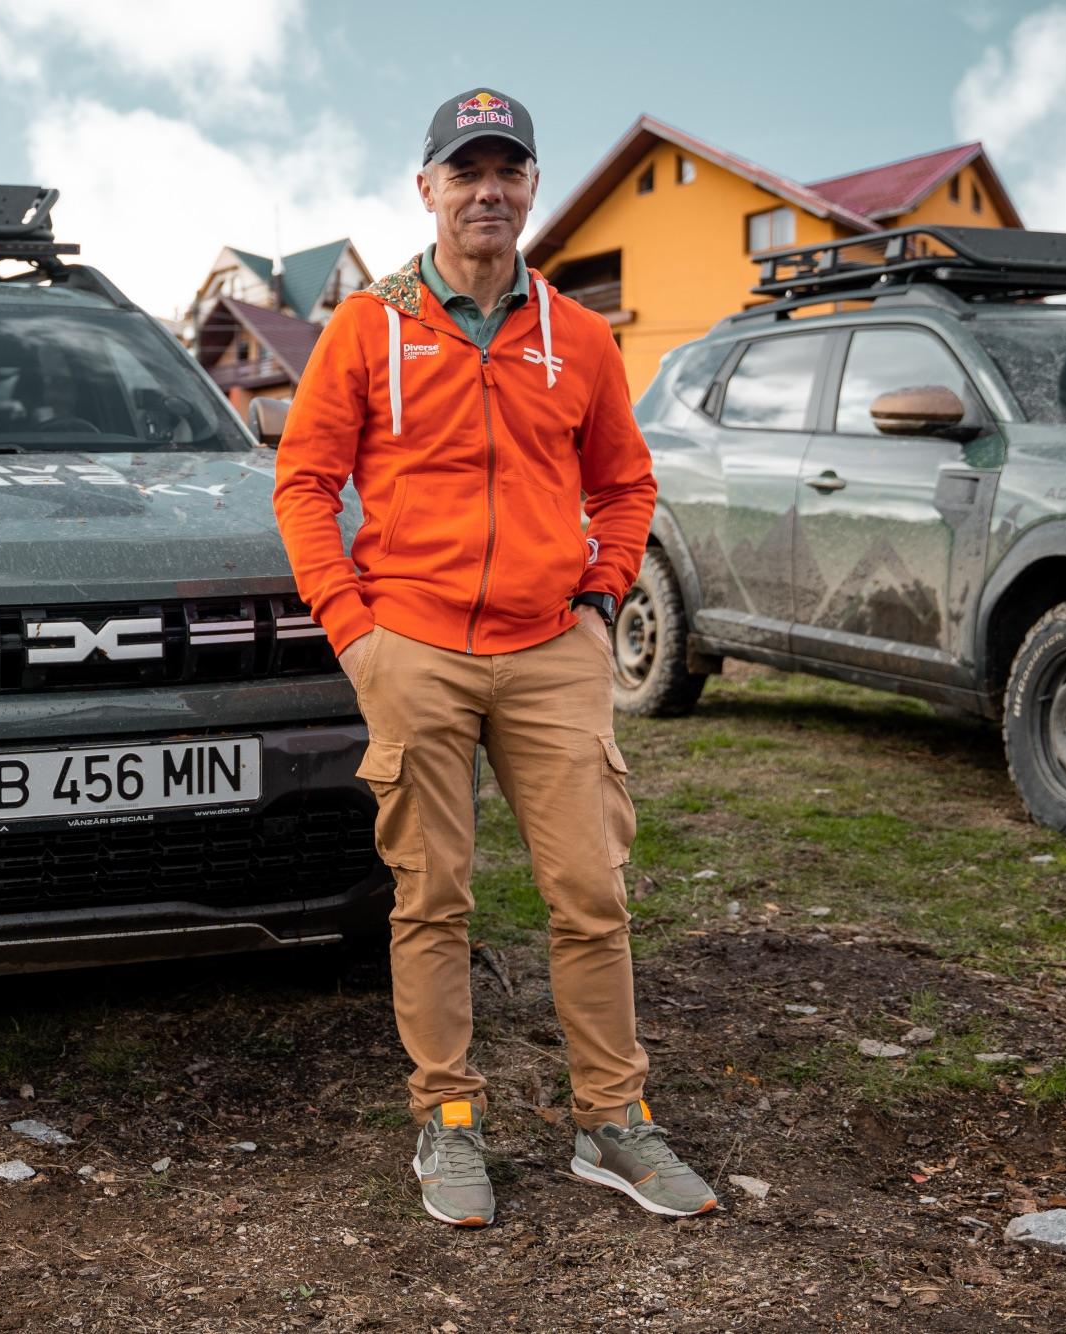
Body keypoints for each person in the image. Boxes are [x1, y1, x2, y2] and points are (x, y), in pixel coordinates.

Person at [272, 88, 718, 1226]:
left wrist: (599, 600)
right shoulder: (365, 327)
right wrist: (354, 631)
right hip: (411, 647)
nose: (487, 191)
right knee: (432, 897)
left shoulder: (577, 336)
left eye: (506, 171)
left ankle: (612, 1121)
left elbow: (625, 485)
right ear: (425, 187)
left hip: (551, 648)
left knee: (591, 892)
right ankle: (450, 1118)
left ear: (530, 187)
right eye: (464, 171)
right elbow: (304, 484)